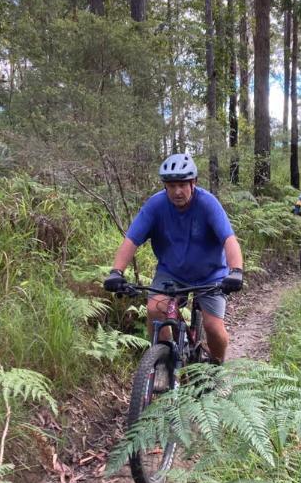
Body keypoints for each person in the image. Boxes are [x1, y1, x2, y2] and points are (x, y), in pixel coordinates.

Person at [103, 153, 243, 363]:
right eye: (171, 185)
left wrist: (236, 271)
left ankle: (217, 369)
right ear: (165, 186)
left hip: (211, 275)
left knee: (213, 328)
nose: (177, 191)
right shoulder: (156, 206)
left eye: (182, 185)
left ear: (193, 183)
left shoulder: (208, 204)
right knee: (154, 309)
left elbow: (228, 239)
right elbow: (131, 241)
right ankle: (163, 362)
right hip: (171, 273)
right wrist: (116, 272)